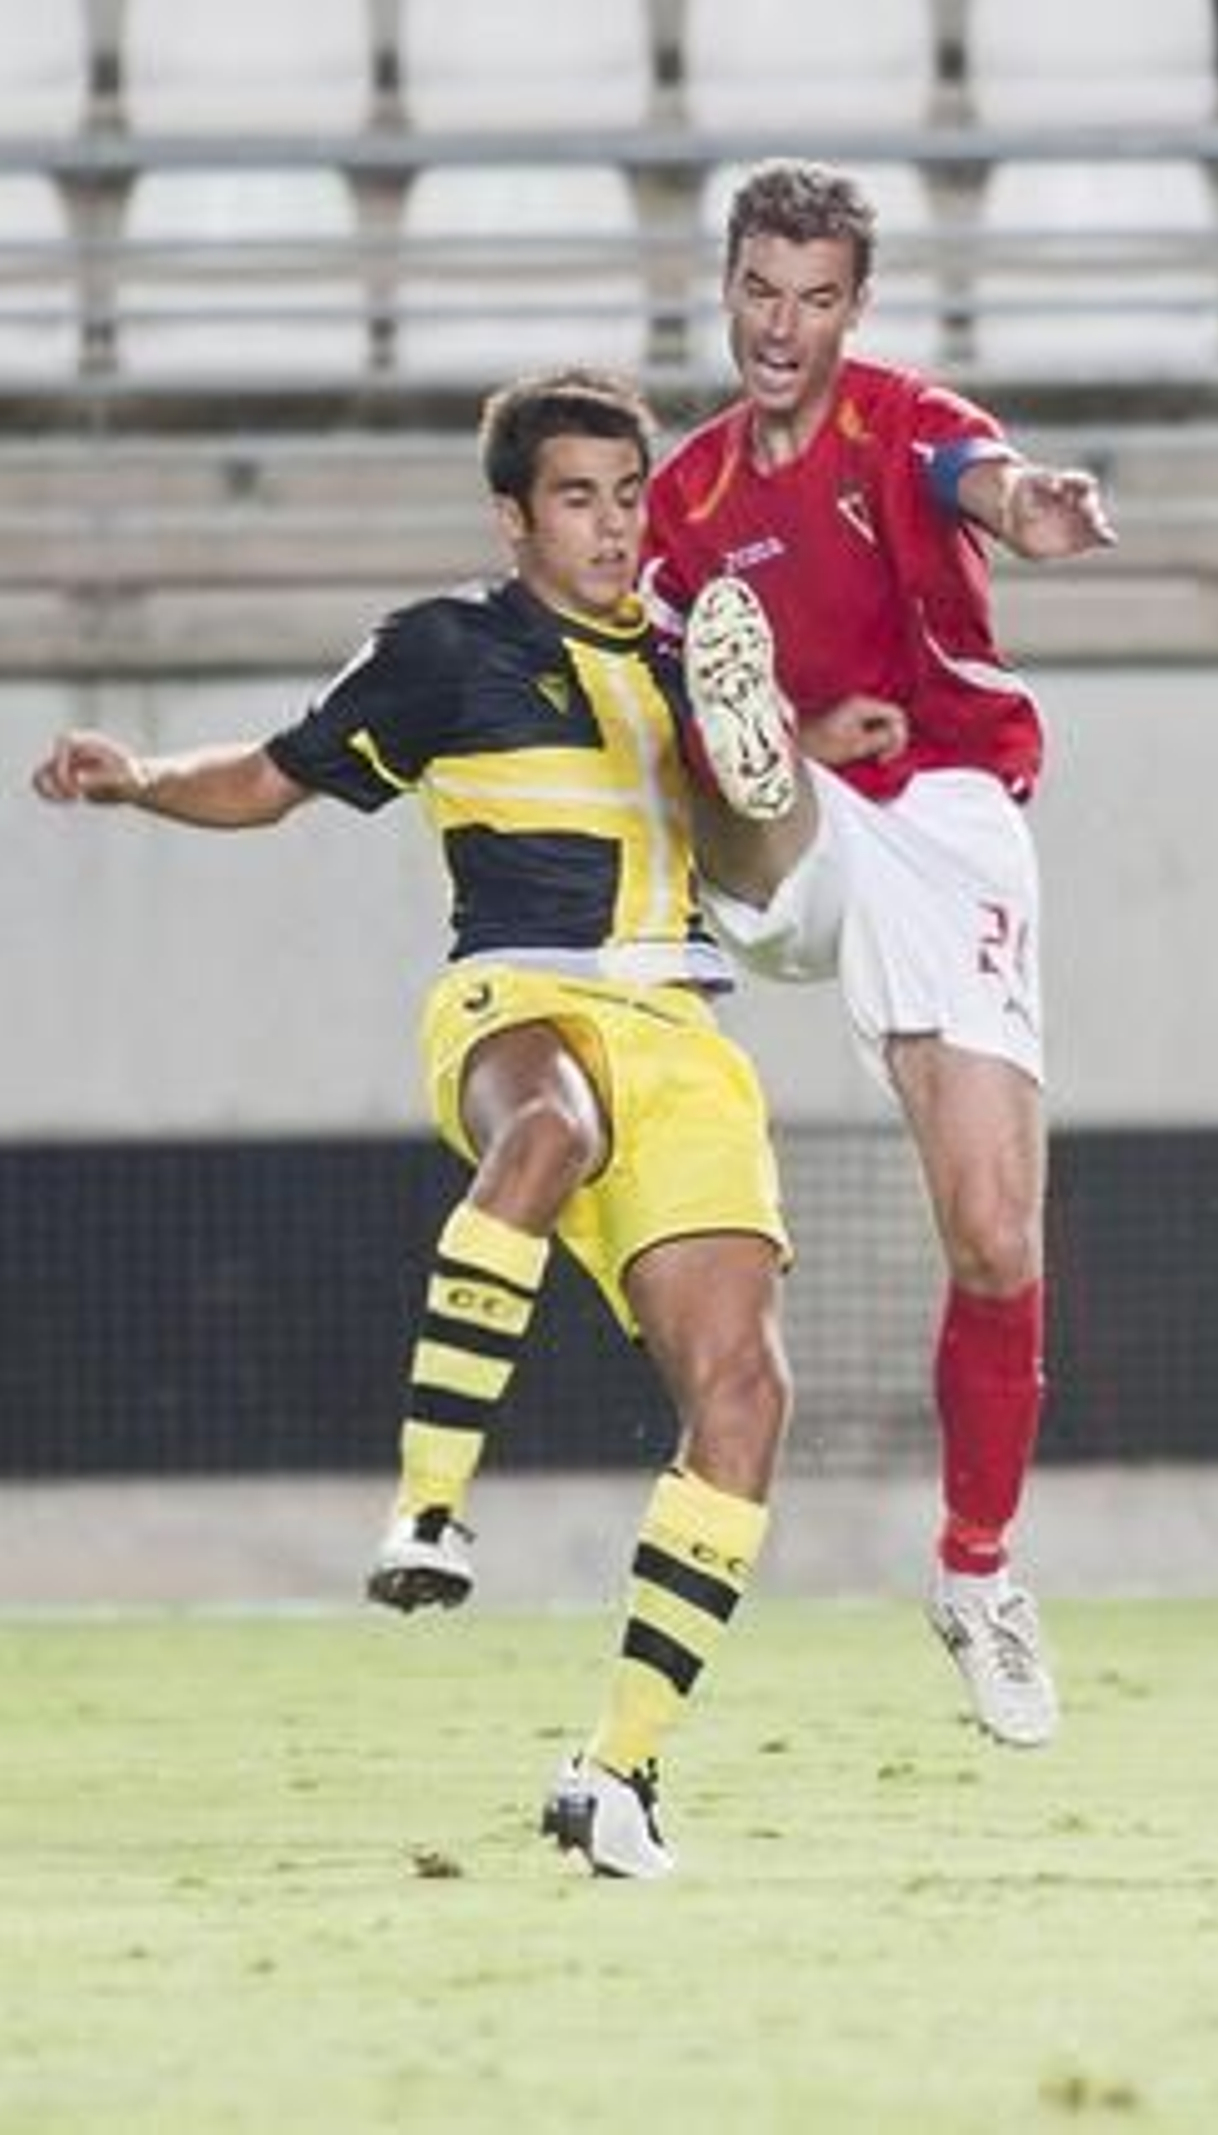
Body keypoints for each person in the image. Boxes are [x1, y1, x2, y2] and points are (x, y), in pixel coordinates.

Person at [31, 368, 793, 1880]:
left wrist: (767, 747)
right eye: (578, 498)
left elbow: (765, 871)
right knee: (548, 1130)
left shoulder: (688, 651)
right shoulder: (447, 648)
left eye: (629, 495)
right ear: (514, 517)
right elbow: (269, 776)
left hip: (686, 1033)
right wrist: (136, 782)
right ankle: (430, 1514)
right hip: (519, 994)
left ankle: (616, 1773)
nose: (612, 526)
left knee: (748, 1401)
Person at [642, 159, 1116, 1749]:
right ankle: (754, 786)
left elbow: (985, 475)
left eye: (817, 299)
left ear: (858, 306)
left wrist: (1029, 505)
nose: (784, 328)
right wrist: (771, 742)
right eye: (759, 293)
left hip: (945, 820)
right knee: (737, 764)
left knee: (993, 1234)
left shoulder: (903, 422)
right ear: (725, 289)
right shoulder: (684, 502)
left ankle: (976, 1573)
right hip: (801, 827)